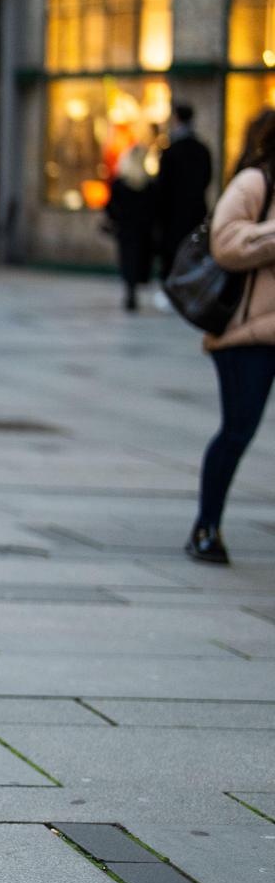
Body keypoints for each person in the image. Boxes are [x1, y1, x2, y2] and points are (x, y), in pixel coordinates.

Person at [189, 110, 275, 566]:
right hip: (247, 335)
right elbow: (225, 244)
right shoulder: (254, 183)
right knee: (238, 430)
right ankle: (206, 525)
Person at [157, 102, 213, 285]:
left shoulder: (171, 151)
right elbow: (207, 178)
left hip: (173, 214)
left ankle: (173, 286)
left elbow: (162, 185)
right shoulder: (201, 149)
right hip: (195, 210)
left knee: (174, 252)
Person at [106, 141, 157, 313]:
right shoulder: (149, 185)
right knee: (137, 259)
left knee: (129, 259)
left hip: (127, 229)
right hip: (141, 230)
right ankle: (132, 290)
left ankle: (131, 289)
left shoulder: (121, 184)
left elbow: (111, 208)